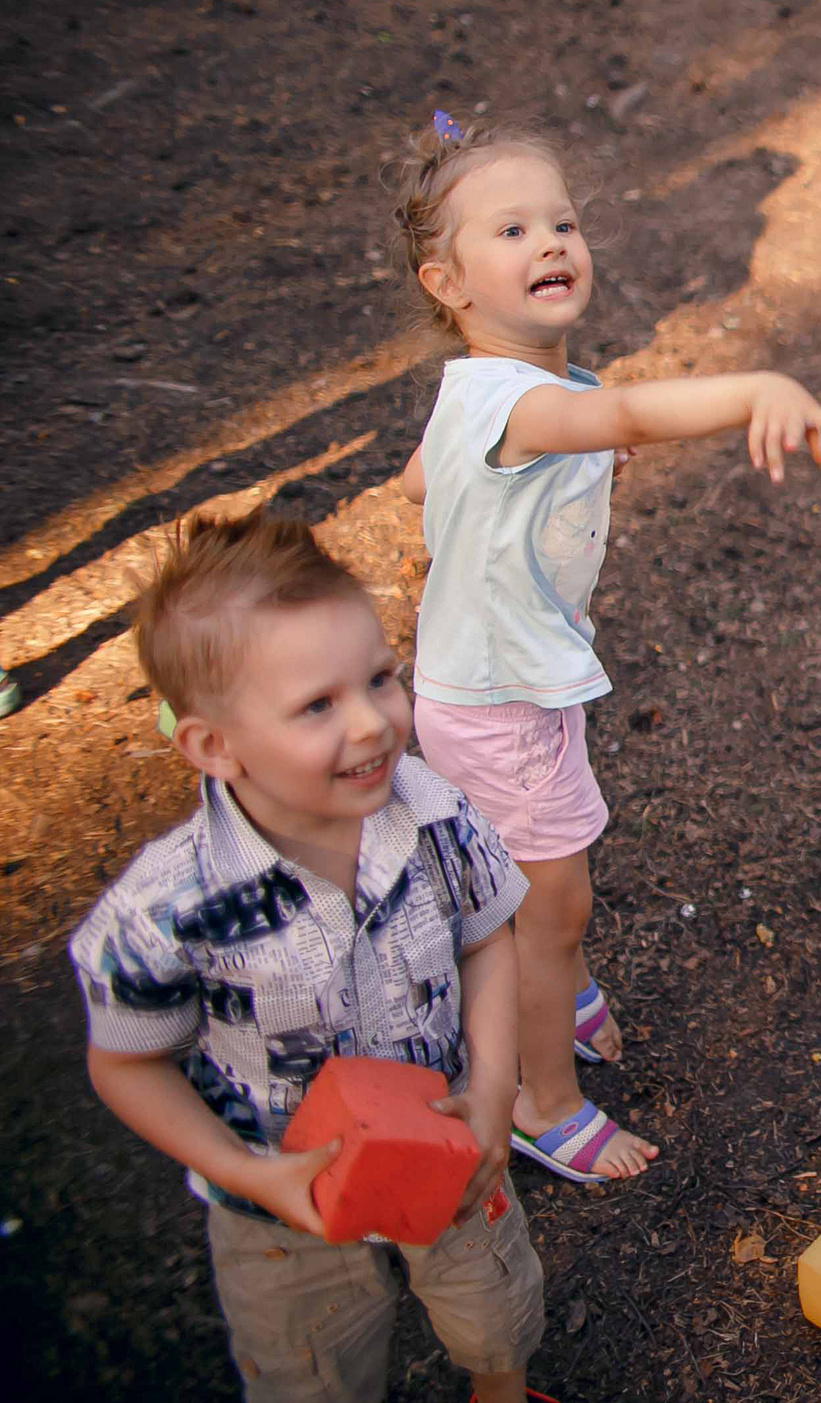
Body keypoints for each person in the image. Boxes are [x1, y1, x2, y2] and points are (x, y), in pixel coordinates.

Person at [390, 112, 821, 1180]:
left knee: (545, 889)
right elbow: (629, 416)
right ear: (446, 285)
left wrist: (541, 480)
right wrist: (754, 389)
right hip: (502, 705)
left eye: (562, 222)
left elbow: (419, 481)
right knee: (549, 908)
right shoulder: (533, 405)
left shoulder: (492, 392)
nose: (551, 242)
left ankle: (563, 988)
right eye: (511, 231)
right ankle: (541, 1102)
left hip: (498, 685)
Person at [71, 509, 543, 1403]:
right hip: (281, 1212)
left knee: (494, 1307)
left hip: (452, 1146)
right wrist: (247, 1172)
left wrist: (492, 1089)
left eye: (380, 678)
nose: (371, 723)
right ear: (213, 745)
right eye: (318, 705)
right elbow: (126, 1061)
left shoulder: (436, 812)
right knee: (314, 1368)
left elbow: (487, 940)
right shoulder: (169, 908)